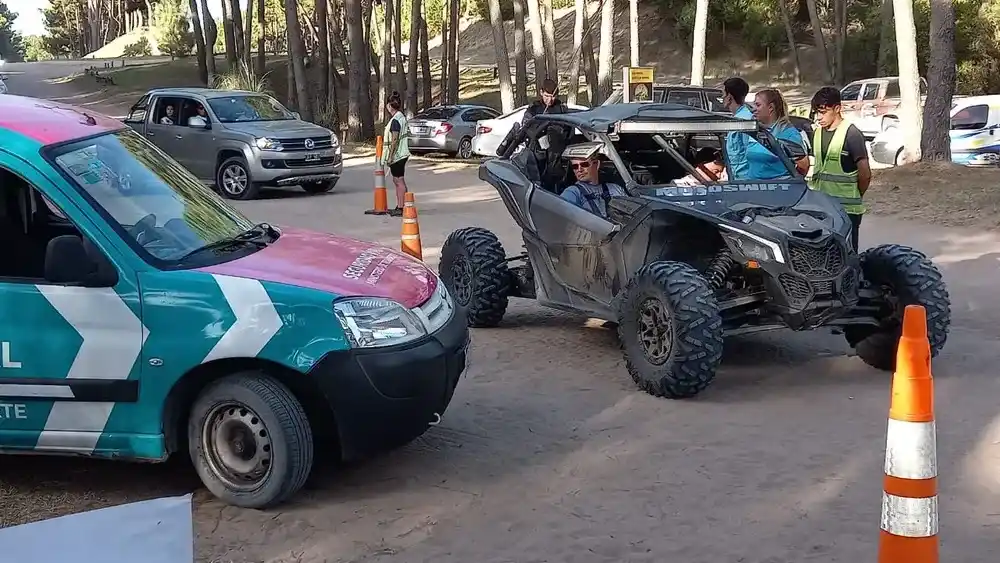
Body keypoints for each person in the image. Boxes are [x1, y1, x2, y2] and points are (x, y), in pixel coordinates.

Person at [809, 86, 871, 252]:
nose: (819, 117)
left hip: (847, 211)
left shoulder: (851, 134)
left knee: (848, 255)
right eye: (816, 112)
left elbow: (865, 174)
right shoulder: (817, 133)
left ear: (837, 108)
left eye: (823, 112)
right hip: (823, 209)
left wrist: (856, 194)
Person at [749, 88, 809, 177]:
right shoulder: (756, 131)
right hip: (753, 187)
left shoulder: (789, 134)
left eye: (758, 105)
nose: (753, 109)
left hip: (779, 187)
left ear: (770, 107)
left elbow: (803, 166)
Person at [560, 154, 627, 218]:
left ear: (597, 164)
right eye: (575, 166)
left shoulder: (616, 189)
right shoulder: (572, 192)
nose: (579, 170)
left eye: (584, 164)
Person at [381, 91, 411, 217]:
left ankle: (401, 206)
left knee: (398, 181)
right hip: (402, 153)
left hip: (398, 154)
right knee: (398, 180)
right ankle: (403, 204)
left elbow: (394, 140)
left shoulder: (395, 121)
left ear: (389, 106)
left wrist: (391, 156)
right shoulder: (401, 117)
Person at [721, 77, 753, 179]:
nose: (722, 97)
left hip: (743, 180)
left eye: (723, 94)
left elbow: (749, 153)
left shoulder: (745, 121)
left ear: (729, 97)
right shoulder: (738, 118)